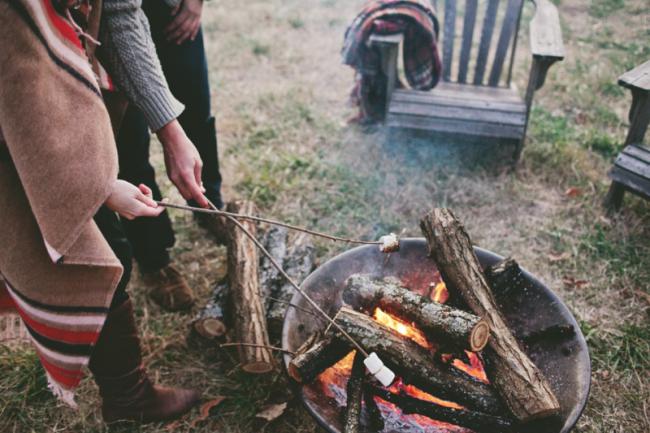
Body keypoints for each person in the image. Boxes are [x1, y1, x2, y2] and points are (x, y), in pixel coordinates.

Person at [0, 0, 203, 423]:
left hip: (67, 88)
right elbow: (21, 92)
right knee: (91, 247)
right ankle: (130, 398)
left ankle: (127, 395)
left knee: (106, 240)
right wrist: (100, 186)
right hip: (19, 112)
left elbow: (119, 14)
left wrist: (171, 130)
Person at [113, 0, 224, 311]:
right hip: (110, 28)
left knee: (196, 115)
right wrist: (167, 129)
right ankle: (154, 257)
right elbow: (118, 13)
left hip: (171, 11)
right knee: (129, 147)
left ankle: (210, 205)